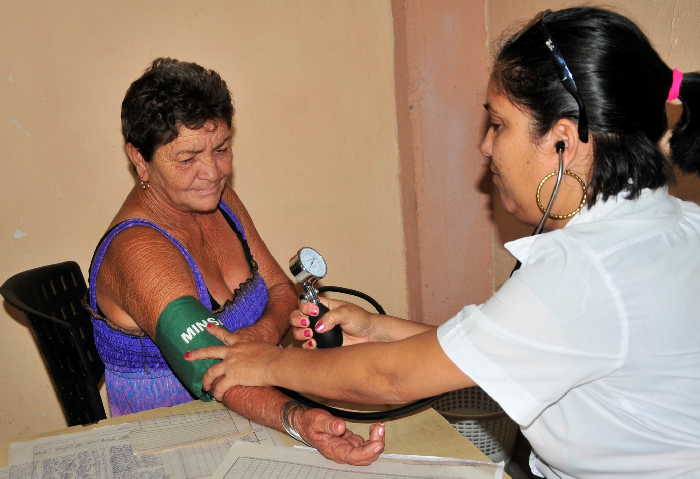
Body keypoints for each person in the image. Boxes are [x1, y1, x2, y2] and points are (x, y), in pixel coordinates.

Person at [186, 7, 700, 478]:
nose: (485, 146)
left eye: (498, 124)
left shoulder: (585, 272)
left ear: (562, 140)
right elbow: (519, 347)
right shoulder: (675, 227)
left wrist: (267, 362)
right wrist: (380, 328)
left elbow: (389, 381)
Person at [86, 57, 384, 465]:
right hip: (171, 451)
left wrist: (260, 335)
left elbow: (282, 289)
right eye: (188, 158)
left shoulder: (218, 200)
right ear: (139, 159)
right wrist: (298, 418)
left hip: (249, 424)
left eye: (222, 149)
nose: (212, 171)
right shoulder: (137, 250)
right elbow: (212, 369)